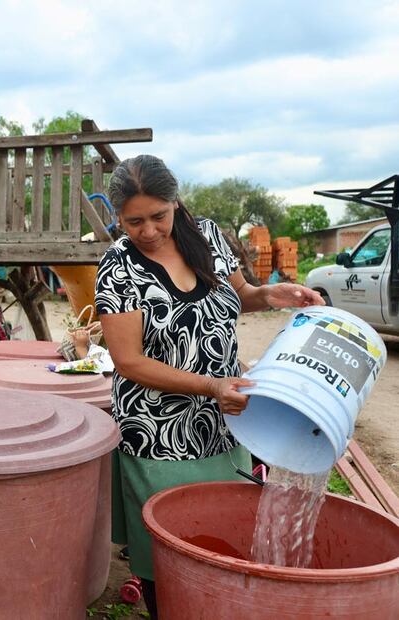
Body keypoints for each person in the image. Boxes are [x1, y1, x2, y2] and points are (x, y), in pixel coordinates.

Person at [94, 155, 324, 618]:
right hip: (158, 435)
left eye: (158, 215)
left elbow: (238, 296)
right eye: (133, 221)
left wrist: (269, 296)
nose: (149, 230)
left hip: (227, 424)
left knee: (225, 546)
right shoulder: (118, 269)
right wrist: (210, 386)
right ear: (118, 217)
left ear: (175, 203)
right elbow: (128, 361)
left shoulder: (208, 237)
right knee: (170, 563)